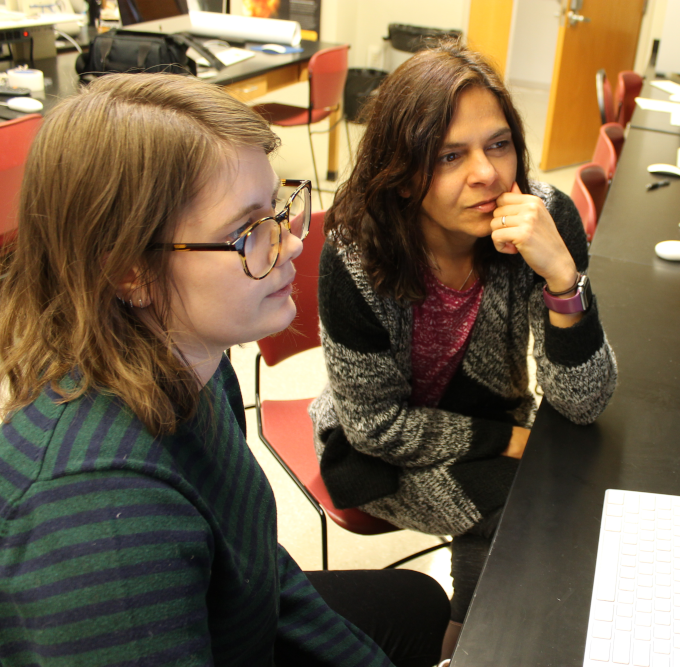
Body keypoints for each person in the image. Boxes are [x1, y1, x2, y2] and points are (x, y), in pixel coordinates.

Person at [0, 73, 450, 667]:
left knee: (418, 603)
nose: (290, 246)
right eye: (248, 231)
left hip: (232, 626)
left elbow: (255, 567)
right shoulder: (97, 517)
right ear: (129, 271)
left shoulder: (195, 364)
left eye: (278, 208)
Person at [309, 42, 618, 657]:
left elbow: (583, 403)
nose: (487, 174)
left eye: (498, 145)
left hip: (487, 426)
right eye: (451, 155)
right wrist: (502, 441)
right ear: (401, 170)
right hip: (377, 452)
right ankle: (468, 644)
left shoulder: (538, 221)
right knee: (524, 506)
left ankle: (465, 635)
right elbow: (372, 427)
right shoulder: (356, 254)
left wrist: (562, 277)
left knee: (549, 497)